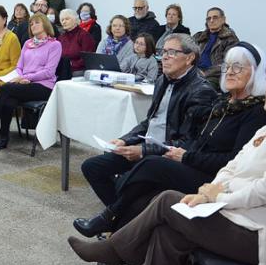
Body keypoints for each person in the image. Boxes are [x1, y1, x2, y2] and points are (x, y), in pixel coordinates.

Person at [68, 58, 266, 265]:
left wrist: (220, 196)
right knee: (165, 234)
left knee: (167, 199)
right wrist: (208, 192)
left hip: (261, 232)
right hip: (236, 214)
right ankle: (115, 248)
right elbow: (232, 167)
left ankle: (113, 249)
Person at [75, 42, 266, 240]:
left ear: (255, 72)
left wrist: (182, 156)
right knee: (105, 168)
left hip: (215, 178)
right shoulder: (223, 103)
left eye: (237, 67)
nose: (229, 72)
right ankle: (117, 226)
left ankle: (111, 220)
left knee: (150, 165)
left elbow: (233, 161)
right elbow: (155, 123)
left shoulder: (254, 112)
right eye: (227, 66)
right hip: (187, 158)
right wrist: (126, 140)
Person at [77, 33, 216, 235]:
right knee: (92, 166)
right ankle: (123, 222)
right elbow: (149, 122)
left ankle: (115, 220)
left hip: (165, 156)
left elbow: (187, 141)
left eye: (172, 52)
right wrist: (125, 139)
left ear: (189, 58)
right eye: (163, 52)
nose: (165, 57)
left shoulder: (200, 91)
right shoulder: (162, 81)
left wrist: (143, 150)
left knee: (132, 177)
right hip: (148, 147)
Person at [0, 13, 62, 152]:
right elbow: (19, 67)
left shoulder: (54, 45)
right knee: (8, 100)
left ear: (45, 24)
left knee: (6, 89)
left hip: (44, 86)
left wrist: (27, 78)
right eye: (31, 24)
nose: (33, 26)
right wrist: (20, 77)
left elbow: (49, 72)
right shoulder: (28, 43)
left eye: (37, 23)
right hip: (23, 83)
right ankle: (2, 138)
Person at [193, 7, 239, 88]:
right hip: (194, 72)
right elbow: (185, 53)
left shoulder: (230, 39)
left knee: (200, 88)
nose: (211, 20)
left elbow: (227, 63)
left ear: (223, 19)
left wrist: (205, 73)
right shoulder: (199, 37)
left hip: (214, 76)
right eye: (209, 18)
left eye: (215, 17)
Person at [57, 8, 96, 74]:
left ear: (75, 19)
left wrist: (70, 64)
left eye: (67, 19)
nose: (64, 22)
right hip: (62, 70)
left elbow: (88, 58)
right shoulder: (61, 38)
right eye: (62, 20)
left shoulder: (84, 35)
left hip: (78, 70)